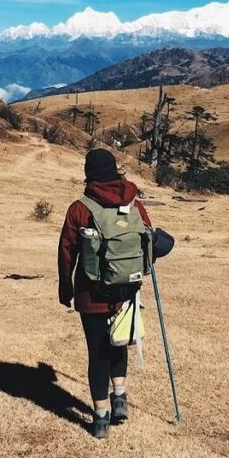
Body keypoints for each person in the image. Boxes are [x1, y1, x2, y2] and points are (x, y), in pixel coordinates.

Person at [58, 148, 152, 439]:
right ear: (115, 170)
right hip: (127, 290)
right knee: (119, 342)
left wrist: (66, 287)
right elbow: (148, 241)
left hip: (91, 294)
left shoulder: (79, 208)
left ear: (88, 174)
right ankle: (119, 396)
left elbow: (66, 251)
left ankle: (100, 419)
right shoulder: (134, 204)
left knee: (97, 353)